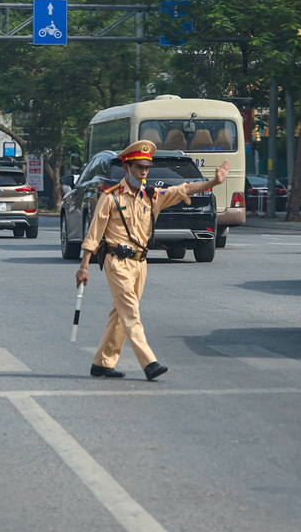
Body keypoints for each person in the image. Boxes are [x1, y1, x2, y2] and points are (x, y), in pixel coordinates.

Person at [75, 140, 229, 380]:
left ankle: (102, 363)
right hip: (116, 262)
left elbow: (183, 190)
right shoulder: (110, 198)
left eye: (147, 168)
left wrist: (214, 182)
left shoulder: (151, 197)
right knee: (131, 313)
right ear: (127, 169)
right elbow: (93, 235)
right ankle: (149, 362)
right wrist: (83, 267)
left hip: (140, 264)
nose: (144, 172)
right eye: (139, 168)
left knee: (120, 314)